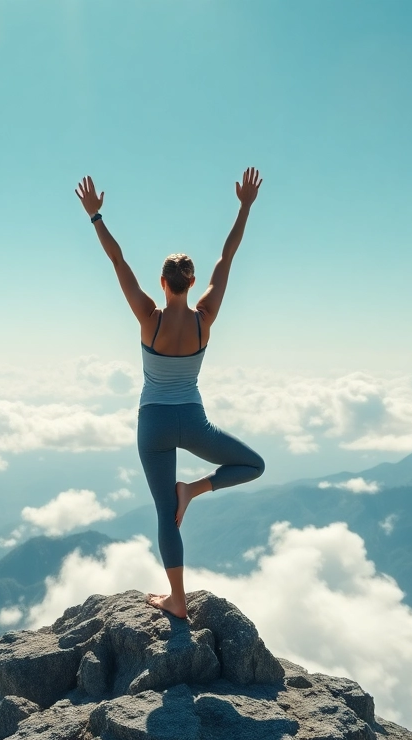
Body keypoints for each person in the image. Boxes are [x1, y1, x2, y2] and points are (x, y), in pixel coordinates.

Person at [74, 168, 266, 620]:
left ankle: (176, 598)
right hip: (194, 424)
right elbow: (228, 256)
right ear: (192, 283)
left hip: (154, 425)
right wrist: (244, 206)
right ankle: (192, 490)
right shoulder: (205, 317)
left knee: (166, 514)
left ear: (162, 283)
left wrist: (96, 216)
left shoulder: (149, 318)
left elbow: (118, 262)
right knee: (253, 465)